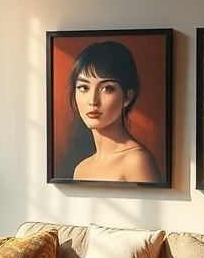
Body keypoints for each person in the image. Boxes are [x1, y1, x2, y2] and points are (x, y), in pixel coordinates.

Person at [67, 40, 162, 182]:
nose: (93, 100)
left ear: (127, 97)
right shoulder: (81, 169)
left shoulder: (136, 161)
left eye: (107, 88)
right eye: (84, 88)